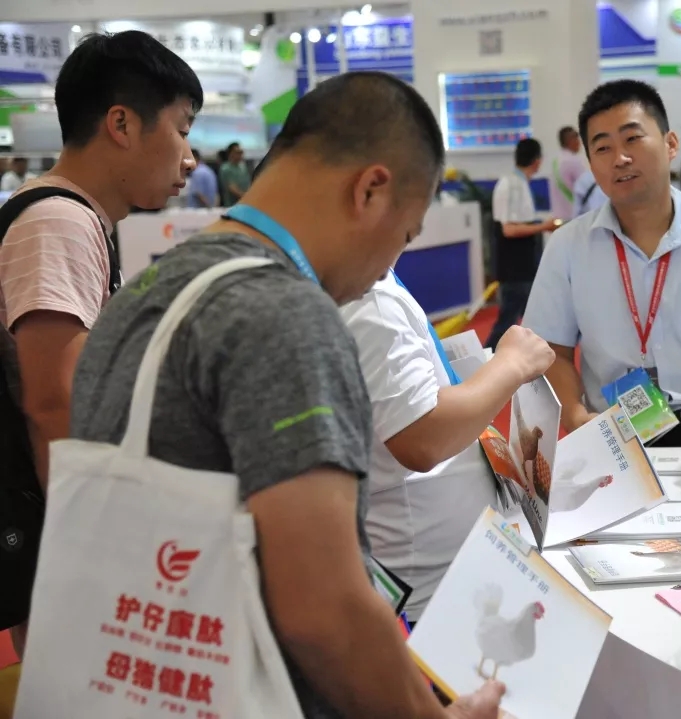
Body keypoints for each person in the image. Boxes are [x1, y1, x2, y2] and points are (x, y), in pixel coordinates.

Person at [69, 71, 503, 719]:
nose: (388, 265)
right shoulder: (288, 315)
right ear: (370, 189)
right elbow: (322, 608)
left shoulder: (147, 292)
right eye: (406, 235)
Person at [0, 30, 201, 657]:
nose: (190, 159)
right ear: (122, 123)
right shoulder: (58, 221)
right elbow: (52, 402)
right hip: (57, 530)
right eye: (182, 129)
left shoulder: (77, 218)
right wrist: (92, 549)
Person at [522, 80, 681, 447]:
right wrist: (574, 415)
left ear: (671, 144)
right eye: (603, 148)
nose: (620, 158)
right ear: (591, 163)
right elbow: (551, 350)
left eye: (632, 139)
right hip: (610, 435)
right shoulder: (568, 246)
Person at [340, 272, 554, 620]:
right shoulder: (371, 301)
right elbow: (423, 437)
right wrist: (513, 363)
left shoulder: (374, 288)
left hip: (441, 576)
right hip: (427, 594)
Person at [486, 137, 558, 349]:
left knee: (527, 317)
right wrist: (543, 227)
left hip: (523, 265)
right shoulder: (511, 185)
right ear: (537, 160)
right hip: (514, 266)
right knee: (508, 320)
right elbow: (509, 230)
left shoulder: (519, 183)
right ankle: (484, 357)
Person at [549, 126, 586, 221]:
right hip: (572, 216)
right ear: (570, 140)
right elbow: (586, 188)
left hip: (557, 217)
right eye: (577, 138)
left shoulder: (555, 161)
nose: (579, 142)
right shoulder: (574, 161)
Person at [219, 141, 251, 205]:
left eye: (241, 152)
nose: (240, 155)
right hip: (233, 205)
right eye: (237, 152)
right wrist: (248, 198)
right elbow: (232, 188)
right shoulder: (226, 168)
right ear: (230, 153)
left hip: (245, 203)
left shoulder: (242, 167)